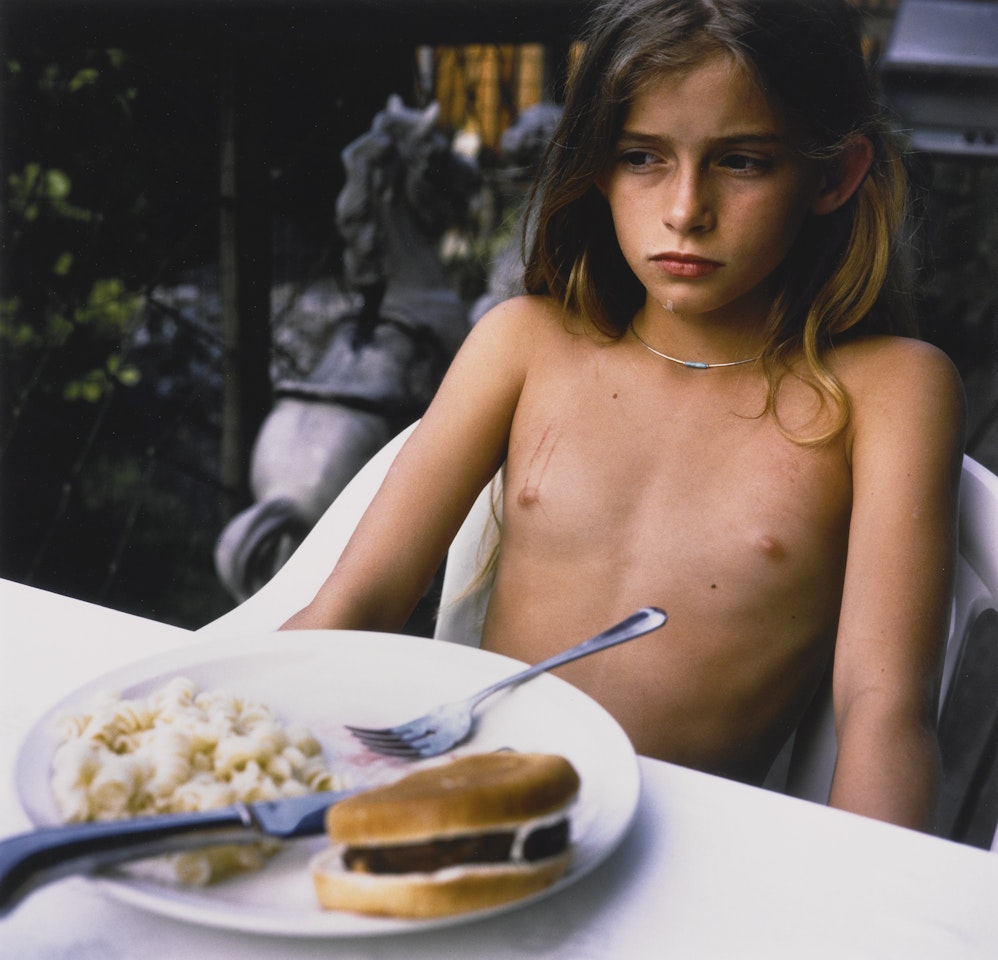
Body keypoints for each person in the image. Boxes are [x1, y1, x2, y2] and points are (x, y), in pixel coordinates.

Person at [283, 0, 965, 831]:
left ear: (835, 175)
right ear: (596, 166)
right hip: (459, 814)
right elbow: (352, 608)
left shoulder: (889, 392)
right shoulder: (523, 346)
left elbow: (884, 711)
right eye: (643, 157)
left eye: (742, 162)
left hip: (683, 858)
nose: (685, 209)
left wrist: (871, 918)